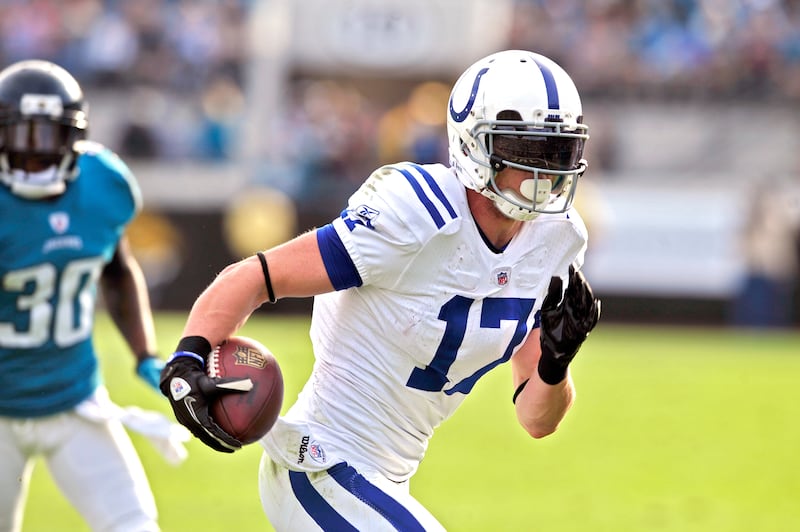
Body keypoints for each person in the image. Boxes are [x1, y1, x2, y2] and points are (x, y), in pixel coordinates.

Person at [161, 49, 602, 530]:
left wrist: (556, 364)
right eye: (529, 150)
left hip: (383, 481)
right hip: (321, 462)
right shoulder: (417, 213)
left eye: (559, 152)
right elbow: (258, 277)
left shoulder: (557, 238)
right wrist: (187, 358)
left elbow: (537, 420)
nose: (547, 173)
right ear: (476, 145)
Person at [0, 60, 168, 532]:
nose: (36, 156)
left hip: (74, 398)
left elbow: (117, 270)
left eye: (48, 140)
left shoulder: (104, 185)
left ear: (75, 139)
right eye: (22, 140)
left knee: (135, 525)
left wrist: (144, 355)